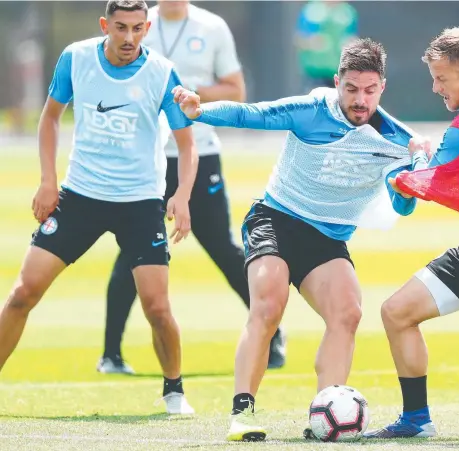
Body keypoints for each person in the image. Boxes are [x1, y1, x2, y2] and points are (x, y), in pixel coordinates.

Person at [173, 38, 425, 441]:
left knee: (348, 312)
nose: (360, 100)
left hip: (327, 239)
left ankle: (324, 415)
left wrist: (414, 174)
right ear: (338, 81)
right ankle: (243, 414)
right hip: (275, 219)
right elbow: (251, 114)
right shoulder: (312, 110)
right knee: (269, 303)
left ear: (382, 88)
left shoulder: (399, 142)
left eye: (370, 90)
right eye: (352, 89)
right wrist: (201, 110)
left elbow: (404, 206)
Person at [0, 0, 198, 415]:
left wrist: (181, 195)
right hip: (81, 196)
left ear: (147, 28)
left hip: (140, 201)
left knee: (157, 307)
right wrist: (48, 180)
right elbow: (50, 118)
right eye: (121, 27)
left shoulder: (162, 72)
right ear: (105, 25)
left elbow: (186, 142)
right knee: (23, 292)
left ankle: (174, 391)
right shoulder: (75, 58)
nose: (129, 38)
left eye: (138, 28)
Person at [96, 0, 287, 376]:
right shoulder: (135, 23)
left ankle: (273, 333)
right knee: (134, 252)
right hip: (143, 158)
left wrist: (184, 91)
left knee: (222, 246)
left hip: (199, 155)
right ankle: (111, 353)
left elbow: (236, 88)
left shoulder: (211, 26)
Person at [365, 27, 459, 439]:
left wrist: (415, 160)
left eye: (442, 78)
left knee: (396, 312)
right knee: (397, 312)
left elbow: (426, 183)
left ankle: (417, 421)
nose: (435, 87)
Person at [295, 0, 358, 90]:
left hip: (340, 72)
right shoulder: (311, 10)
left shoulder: (348, 12)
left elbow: (352, 37)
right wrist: (313, 42)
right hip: (316, 72)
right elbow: (300, 40)